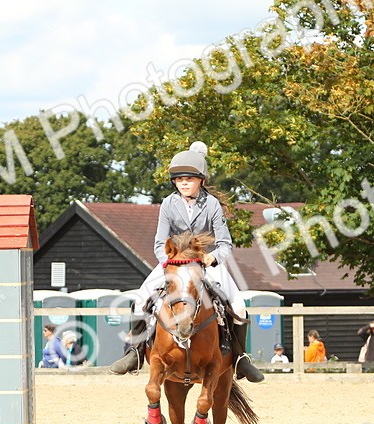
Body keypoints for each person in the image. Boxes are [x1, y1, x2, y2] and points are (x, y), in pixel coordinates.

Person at [108, 141, 263, 382]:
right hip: (174, 265)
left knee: (239, 305)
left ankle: (241, 359)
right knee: (140, 299)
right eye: (179, 180)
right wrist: (170, 262)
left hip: (206, 263)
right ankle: (134, 353)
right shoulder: (168, 204)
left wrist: (213, 257)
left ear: (200, 180)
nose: (184, 183)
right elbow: (160, 243)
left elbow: (225, 244)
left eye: (189, 179)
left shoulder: (212, 205)